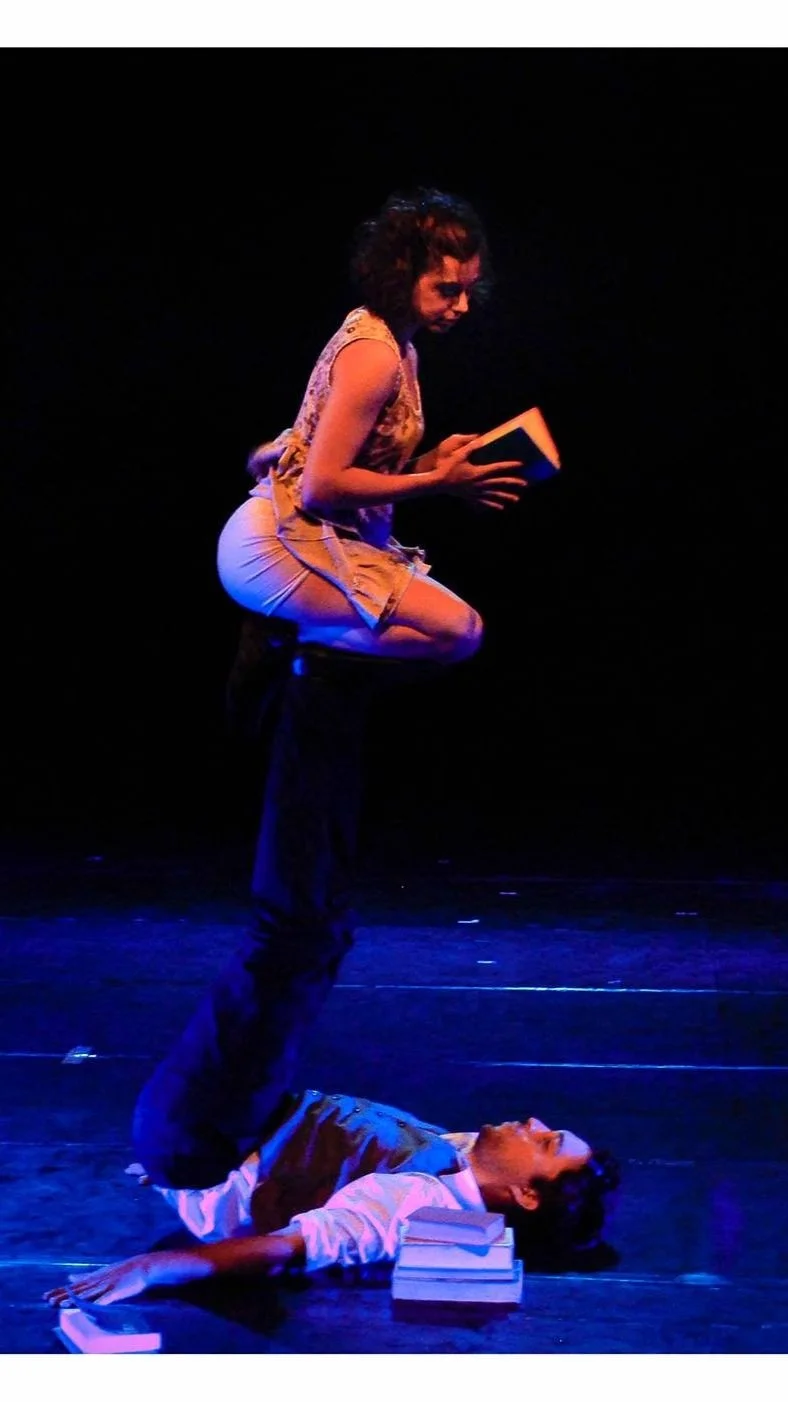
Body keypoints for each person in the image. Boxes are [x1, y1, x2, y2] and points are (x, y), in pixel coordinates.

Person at [130, 186, 561, 1194]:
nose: (459, 303)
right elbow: (320, 485)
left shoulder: (391, 346)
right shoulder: (374, 346)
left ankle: (309, 651)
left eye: (467, 288)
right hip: (283, 547)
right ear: (399, 273)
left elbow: (289, 448)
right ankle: (299, 645)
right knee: (452, 630)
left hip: (302, 535)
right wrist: (436, 489)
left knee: (441, 627)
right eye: (444, 286)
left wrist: (439, 459)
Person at [44, 1095, 619, 1308]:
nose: (536, 1122)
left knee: (271, 977)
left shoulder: (413, 1204)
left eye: (545, 1142)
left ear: (525, 1193)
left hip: (204, 1144)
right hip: (246, 1120)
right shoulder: (470, 1165)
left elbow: (294, 1247)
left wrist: (155, 1267)